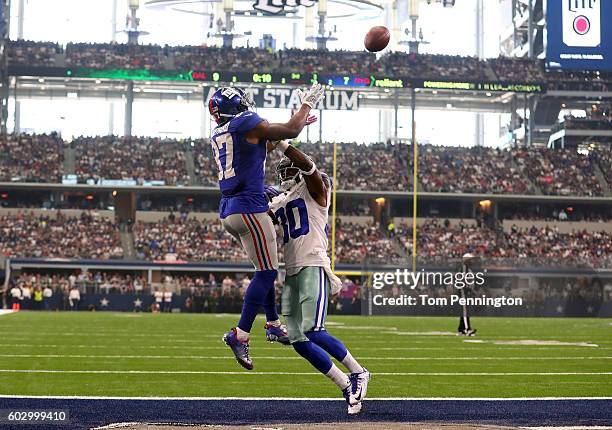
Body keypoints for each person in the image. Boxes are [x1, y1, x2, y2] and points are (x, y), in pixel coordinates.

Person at [209, 84, 324, 370]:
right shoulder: (244, 121)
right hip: (248, 208)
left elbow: (266, 142)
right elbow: (289, 131)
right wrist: (305, 106)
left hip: (231, 210)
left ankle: (273, 323)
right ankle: (241, 334)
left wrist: (290, 127)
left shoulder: (222, 131)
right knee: (268, 271)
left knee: (266, 269)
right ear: (234, 105)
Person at [267, 144, 370, 414]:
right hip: (292, 271)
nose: (283, 174)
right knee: (297, 340)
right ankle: (345, 385)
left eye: (288, 169)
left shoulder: (315, 189)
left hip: (313, 264)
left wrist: (282, 143)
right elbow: (265, 212)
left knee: (313, 329)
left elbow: (310, 168)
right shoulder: (287, 197)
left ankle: (359, 372)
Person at [457, 253, 478, 336]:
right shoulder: (464, 268)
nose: (472, 261)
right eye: (470, 260)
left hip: (465, 291)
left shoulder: (466, 268)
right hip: (464, 292)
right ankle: (467, 329)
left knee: (464, 311)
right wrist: (469, 289)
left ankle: (461, 329)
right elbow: (463, 281)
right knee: (465, 311)